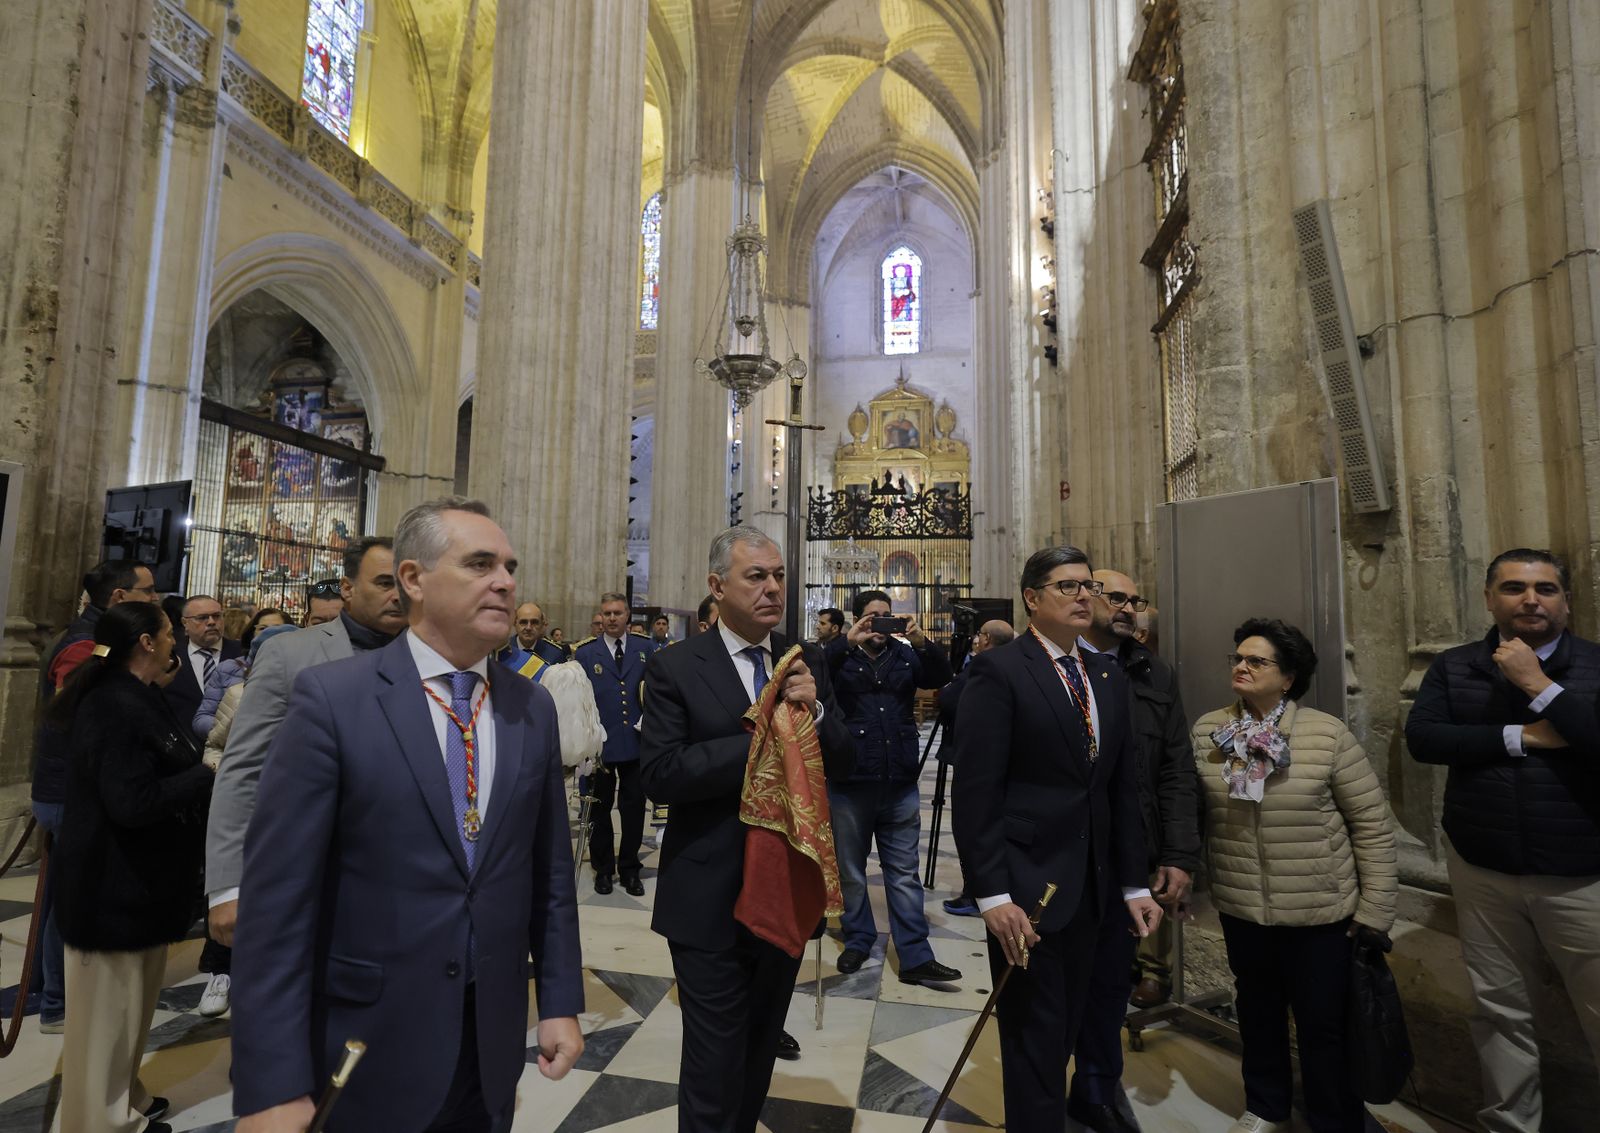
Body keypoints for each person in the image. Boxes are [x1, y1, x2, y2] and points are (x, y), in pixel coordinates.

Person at [229, 497, 583, 1132]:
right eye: (480, 564)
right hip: (370, 1038)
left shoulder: (531, 706)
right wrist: (270, 1081)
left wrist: (558, 1000)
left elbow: (550, 874)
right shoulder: (335, 699)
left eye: (509, 567)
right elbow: (278, 902)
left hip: (490, 1035)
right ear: (414, 579)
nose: (505, 581)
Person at [640, 526, 853, 1131]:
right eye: (755, 576)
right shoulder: (676, 666)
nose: (772, 588)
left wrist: (815, 713)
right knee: (714, 1064)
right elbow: (660, 773)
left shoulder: (803, 659)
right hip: (709, 893)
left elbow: (843, 761)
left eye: (778, 575)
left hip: (785, 889)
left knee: (759, 1052)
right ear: (717, 586)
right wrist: (767, 737)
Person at [952, 546, 1161, 1133]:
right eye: (1067, 586)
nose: (1083, 596)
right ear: (1032, 598)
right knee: (1033, 1042)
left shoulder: (1105, 675)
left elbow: (1119, 789)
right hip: (1026, 887)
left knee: (1071, 1028)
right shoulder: (1000, 671)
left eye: (1088, 586)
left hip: (1092, 888)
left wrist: (1133, 883)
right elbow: (976, 792)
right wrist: (992, 895)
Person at [1405, 548, 1600, 1133]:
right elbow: (1425, 739)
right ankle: (1510, 1125)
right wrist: (1522, 736)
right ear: (1490, 599)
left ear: (1567, 602)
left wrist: (1536, 683)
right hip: (1483, 868)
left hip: (1580, 874)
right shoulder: (1456, 665)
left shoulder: (1595, 665)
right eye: (1514, 588)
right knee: (1498, 1011)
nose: (1531, 600)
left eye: (1545, 589)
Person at [1196, 618, 1396, 1133]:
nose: (1241, 667)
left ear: (1288, 678)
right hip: (1243, 906)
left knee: (1323, 1024)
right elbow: (1195, 814)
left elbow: (1371, 825)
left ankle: (1334, 1117)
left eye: (1256, 661)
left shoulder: (1325, 734)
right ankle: (1265, 1106)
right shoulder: (1208, 731)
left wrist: (1376, 908)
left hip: (1318, 909)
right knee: (1257, 1014)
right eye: (1238, 658)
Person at [50, 601, 214, 1133]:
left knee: (129, 1018)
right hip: (109, 888)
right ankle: (97, 1123)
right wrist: (206, 772)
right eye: (168, 633)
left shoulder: (139, 695)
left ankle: (125, 1101)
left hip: (140, 887)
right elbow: (132, 802)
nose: (173, 643)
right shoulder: (112, 703)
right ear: (146, 642)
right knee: (105, 1024)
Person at [205, 536, 405, 950]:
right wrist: (227, 886)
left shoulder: (432, 656)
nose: (398, 595)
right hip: (308, 864)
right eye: (385, 583)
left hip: (405, 874)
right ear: (347, 588)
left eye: (406, 583)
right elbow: (244, 768)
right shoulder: (289, 654)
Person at [1069, 570, 1201, 1132]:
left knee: (1110, 981)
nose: (1128, 608)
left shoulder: (1153, 671)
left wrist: (1178, 854)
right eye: (1116, 597)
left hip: (1130, 856)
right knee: (1056, 986)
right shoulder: (1052, 665)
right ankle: (1039, 1090)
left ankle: (1097, 1089)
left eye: (1134, 599)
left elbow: (1176, 769)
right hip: (1063, 857)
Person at [30, 559, 159, 1034]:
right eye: (148, 591)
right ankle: (56, 1004)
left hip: (72, 786)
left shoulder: (96, 638)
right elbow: (83, 717)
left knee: (69, 889)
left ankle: (55, 990)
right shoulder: (87, 645)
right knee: (74, 895)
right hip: (69, 789)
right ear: (120, 597)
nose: (156, 598)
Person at [825, 590, 958, 983]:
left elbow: (941, 677)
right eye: (872, 616)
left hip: (899, 777)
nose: (880, 624)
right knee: (851, 870)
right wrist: (845, 642)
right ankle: (858, 939)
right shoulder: (840, 656)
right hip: (851, 779)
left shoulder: (905, 655)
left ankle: (915, 955)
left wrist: (921, 641)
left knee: (903, 871)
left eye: (887, 615)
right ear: (857, 619)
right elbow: (816, 676)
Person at [576, 593, 654, 896]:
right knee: (599, 809)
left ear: (627, 615)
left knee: (633, 810)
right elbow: (579, 701)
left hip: (636, 742)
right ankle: (603, 869)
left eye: (617, 613)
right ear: (600, 616)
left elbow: (656, 690)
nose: (611, 618)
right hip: (601, 746)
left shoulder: (645, 648)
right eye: (606, 613)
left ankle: (630, 868)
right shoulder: (586, 653)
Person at [937, 619, 1014, 917]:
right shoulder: (1015, 664)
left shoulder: (985, 665)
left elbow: (948, 699)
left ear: (987, 640)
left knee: (972, 825)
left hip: (975, 760)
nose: (975, 639)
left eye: (980, 635)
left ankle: (976, 892)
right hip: (999, 761)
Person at [161, 594, 244, 730]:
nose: (211, 622)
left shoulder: (242, 654)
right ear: (185, 623)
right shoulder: (169, 655)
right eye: (202, 618)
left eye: (217, 616)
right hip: (182, 737)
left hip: (233, 737)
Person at [497, 600, 570, 669]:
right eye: (523, 622)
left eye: (534, 622)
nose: (528, 628)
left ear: (542, 624)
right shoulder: (500, 650)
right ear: (515, 623)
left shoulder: (554, 653)